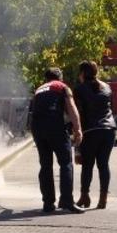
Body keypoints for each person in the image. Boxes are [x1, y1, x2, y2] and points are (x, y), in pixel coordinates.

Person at [30, 67, 84, 214]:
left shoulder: (39, 89)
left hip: (37, 128)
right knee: (66, 163)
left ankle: (48, 203)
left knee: (45, 165)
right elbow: (72, 108)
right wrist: (78, 129)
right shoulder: (62, 87)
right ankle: (67, 201)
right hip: (54, 126)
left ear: (46, 78)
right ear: (59, 77)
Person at [74, 60, 116, 210]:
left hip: (91, 131)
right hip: (109, 130)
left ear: (83, 73)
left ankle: (84, 196)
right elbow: (113, 109)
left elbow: (77, 113)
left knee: (87, 165)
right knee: (103, 165)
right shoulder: (107, 87)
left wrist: (76, 140)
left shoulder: (79, 89)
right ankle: (103, 199)